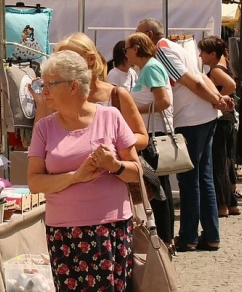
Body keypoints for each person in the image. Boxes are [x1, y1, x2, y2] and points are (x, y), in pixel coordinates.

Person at [28, 50, 141, 292]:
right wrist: (75, 177)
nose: (44, 91)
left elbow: (136, 172)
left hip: (109, 228)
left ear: (73, 86)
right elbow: (35, 182)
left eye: (51, 84)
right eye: (42, 84)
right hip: (63, 232)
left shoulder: (110, 117)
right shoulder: (43, 128)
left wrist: (115, 166)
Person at [136, 18, 232, 252]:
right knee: (203, 178)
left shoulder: (162, 52)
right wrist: (217, 101)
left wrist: (216, 101)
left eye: (139, 36)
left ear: (149, 34)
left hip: (191, 118)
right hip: (204, 116)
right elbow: (200, 78)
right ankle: (211, 235)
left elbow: (191, 83)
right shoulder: (176, 46)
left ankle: (188, 236)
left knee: (190, 181)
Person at [31, 33, 148, 151]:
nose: (61, 67)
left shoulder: (116, 95)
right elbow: (40, 141)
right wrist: (42, 104)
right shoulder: (58, 96)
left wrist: (110, 142)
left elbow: (142, 137)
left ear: (91, 59)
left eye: (69, 62)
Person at [123, 32, 175, 245]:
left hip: (154, 135)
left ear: (136, 48)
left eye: (127, 48)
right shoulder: (147, 68)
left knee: (156, 189)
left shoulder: (151, 67)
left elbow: (163, 101)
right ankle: (166, 236)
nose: (125, 53)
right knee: (160, 188)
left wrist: (133, 109)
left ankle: (164, 237)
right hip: (153, 133)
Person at [198, 36, 241, 217]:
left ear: (212, 54)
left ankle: (222, 203)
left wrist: (217, 101)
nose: (200, 56)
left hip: (222, 119)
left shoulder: (215, 70)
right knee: (226, 161)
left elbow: (231, 85)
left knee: (218, 161)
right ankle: (231, 202)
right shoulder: (224, 64)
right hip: (228, 119)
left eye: (203, 52)